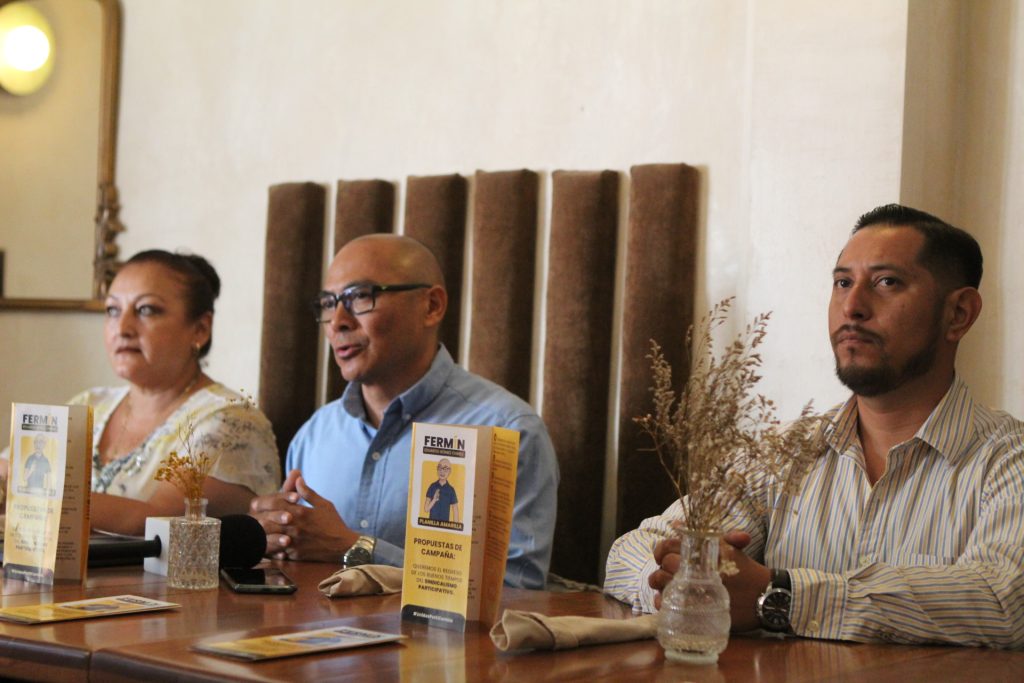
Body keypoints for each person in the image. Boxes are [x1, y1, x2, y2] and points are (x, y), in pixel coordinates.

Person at [605, 204, 1024, 648]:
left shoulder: (1008, 460)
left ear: (958, 313)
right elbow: (633, 550)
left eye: (886, 282)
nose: (852, 306)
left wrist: (778, 596)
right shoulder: (782, 452)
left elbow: (1005, 601)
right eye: (842, 282)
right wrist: (685, 584)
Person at [249, 234, 558, 589]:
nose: (338, 322)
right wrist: (272, 538)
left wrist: (355, 548)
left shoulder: (506, 430)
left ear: (432, 306)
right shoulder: (315, 434)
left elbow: (518, 589)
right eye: (329, 303)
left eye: (360, 296)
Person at [0, 250, 282, 535]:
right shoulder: (91, 404)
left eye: (146, 310)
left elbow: (156, 521)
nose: (122, 328)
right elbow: (7, 471)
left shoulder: (230, 421)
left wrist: (28, 490)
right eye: (112, 310)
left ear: (200, 329)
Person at [424, 458, 459, 523]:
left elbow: (455, 510)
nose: (442, 471)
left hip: (444, 526)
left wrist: (456, 527)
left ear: (449, 471)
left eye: (445, 469)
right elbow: (426, 509)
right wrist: (434, 500)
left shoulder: (451, 490)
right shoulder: (432, 486)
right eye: (440, 468)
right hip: (431, 524)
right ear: (437, 469)